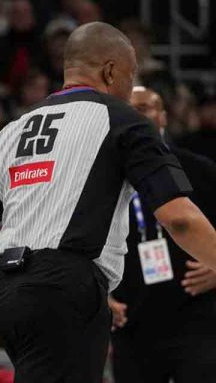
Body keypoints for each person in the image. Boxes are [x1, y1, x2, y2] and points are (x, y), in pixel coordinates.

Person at [0, 21, 216, 383]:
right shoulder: (123, 120)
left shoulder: (14, 130)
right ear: (110, 71)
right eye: (130, 73)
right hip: (66, 287)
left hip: (6, 291)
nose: (130, 83)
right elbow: (180, 220)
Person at [110, 86, 216, 383]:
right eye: (128, 108)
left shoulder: (199, 168)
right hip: (131, 320)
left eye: (145, 107)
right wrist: (100, 294)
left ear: (164, 117)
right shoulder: (103, 177)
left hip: (196, 317)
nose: (136, 115)